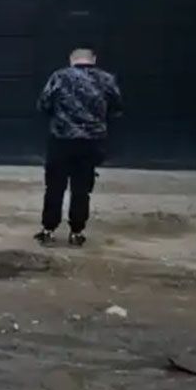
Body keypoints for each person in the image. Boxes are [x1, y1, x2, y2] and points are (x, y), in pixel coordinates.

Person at [34, 46, 122, 248]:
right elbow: (117, 107)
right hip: (91, 141)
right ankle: (77, 232)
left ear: (71, 59)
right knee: (82, 189)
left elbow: (44, 104)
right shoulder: (106, 79)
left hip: (61, 140)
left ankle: (48, 230)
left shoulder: (59, 77)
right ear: (94, 59)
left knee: (54, 186)